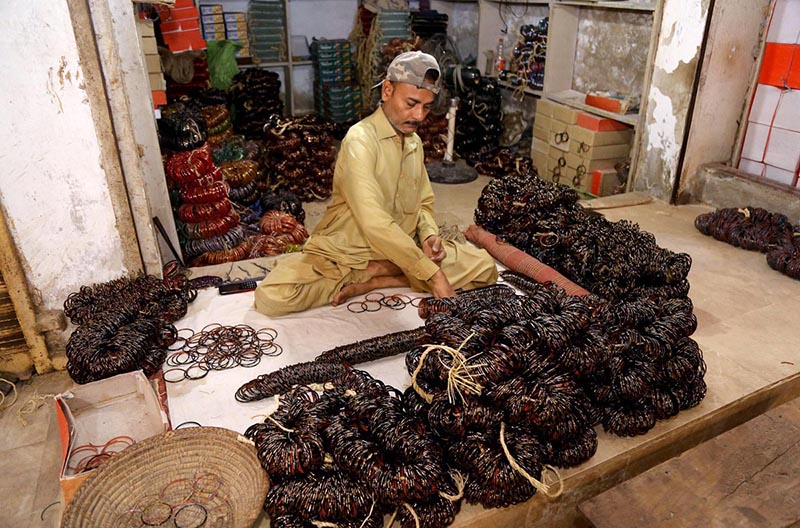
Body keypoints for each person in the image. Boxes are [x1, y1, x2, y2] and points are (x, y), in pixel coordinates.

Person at [254, 51, 497, 317]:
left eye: (426, 107)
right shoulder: (360, 141)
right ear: (387, 90)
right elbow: (374, 223)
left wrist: (428, 235)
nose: (419, 116)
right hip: (351, 256)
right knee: (273, 297)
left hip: (403, 251)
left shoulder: (414, 142)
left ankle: (383, 277)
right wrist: (433, 274)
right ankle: (385, 271)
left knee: (486, 268)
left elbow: (424, 202)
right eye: (411, 103)